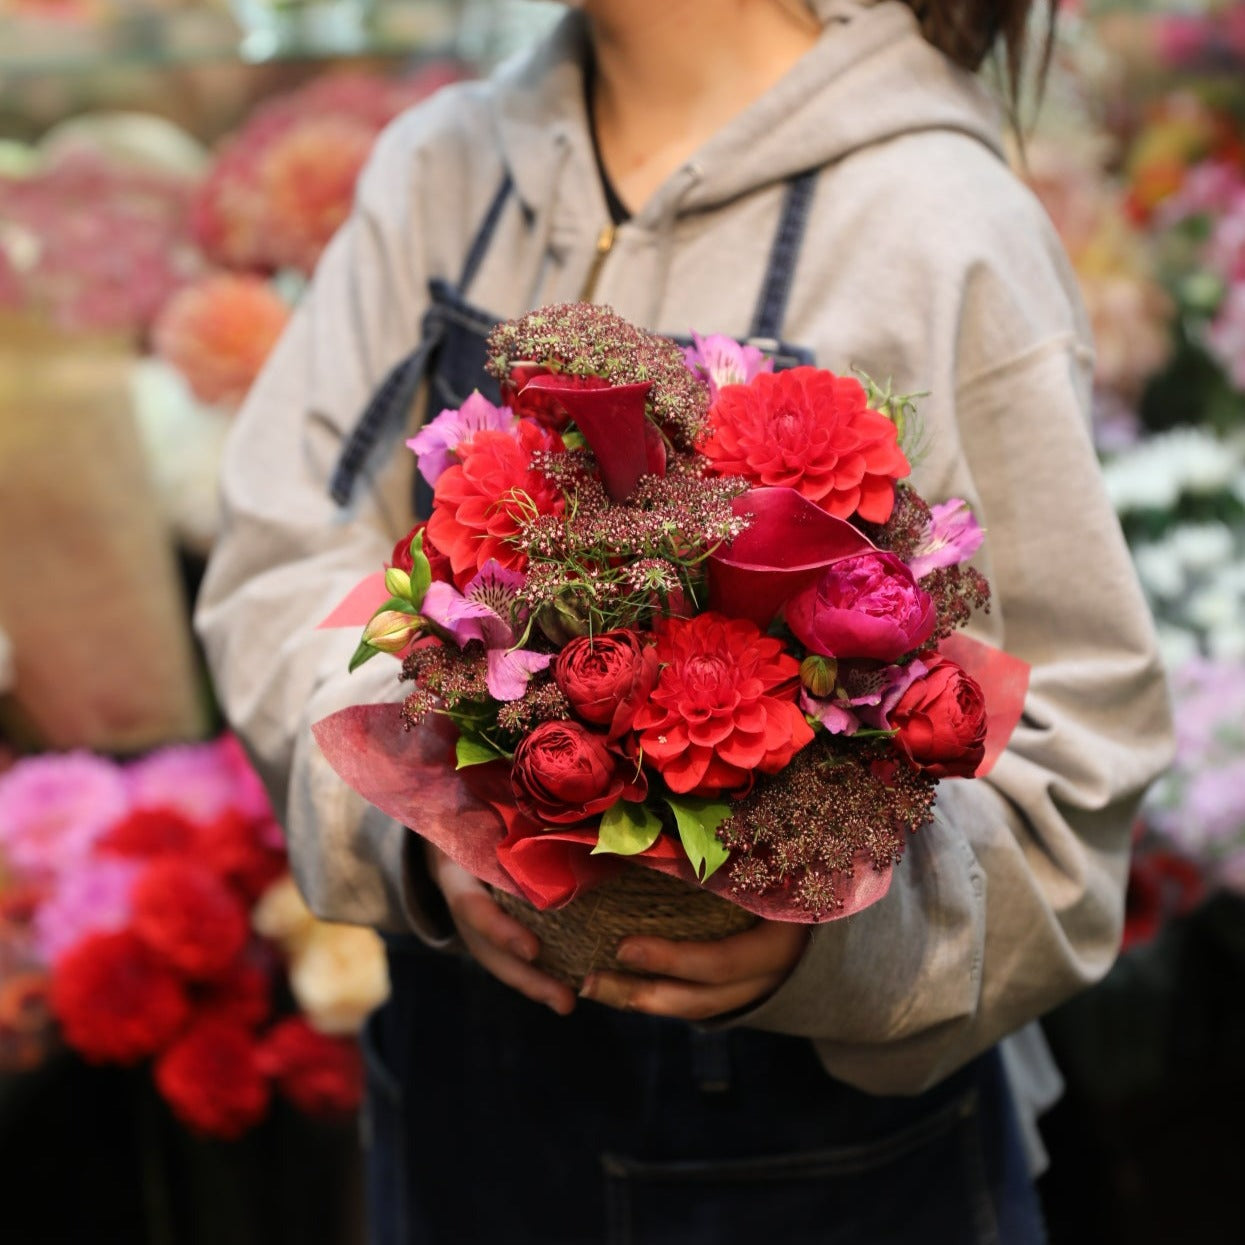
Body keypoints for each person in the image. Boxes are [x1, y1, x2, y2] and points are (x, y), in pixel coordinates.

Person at [196, 1, 1174, 1241]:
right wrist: (414, 819)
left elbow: (1074, 755)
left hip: (823, 1171)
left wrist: (836, 949)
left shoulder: (931, 223)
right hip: (459, 1128)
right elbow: (277, 560)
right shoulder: (441, 171)